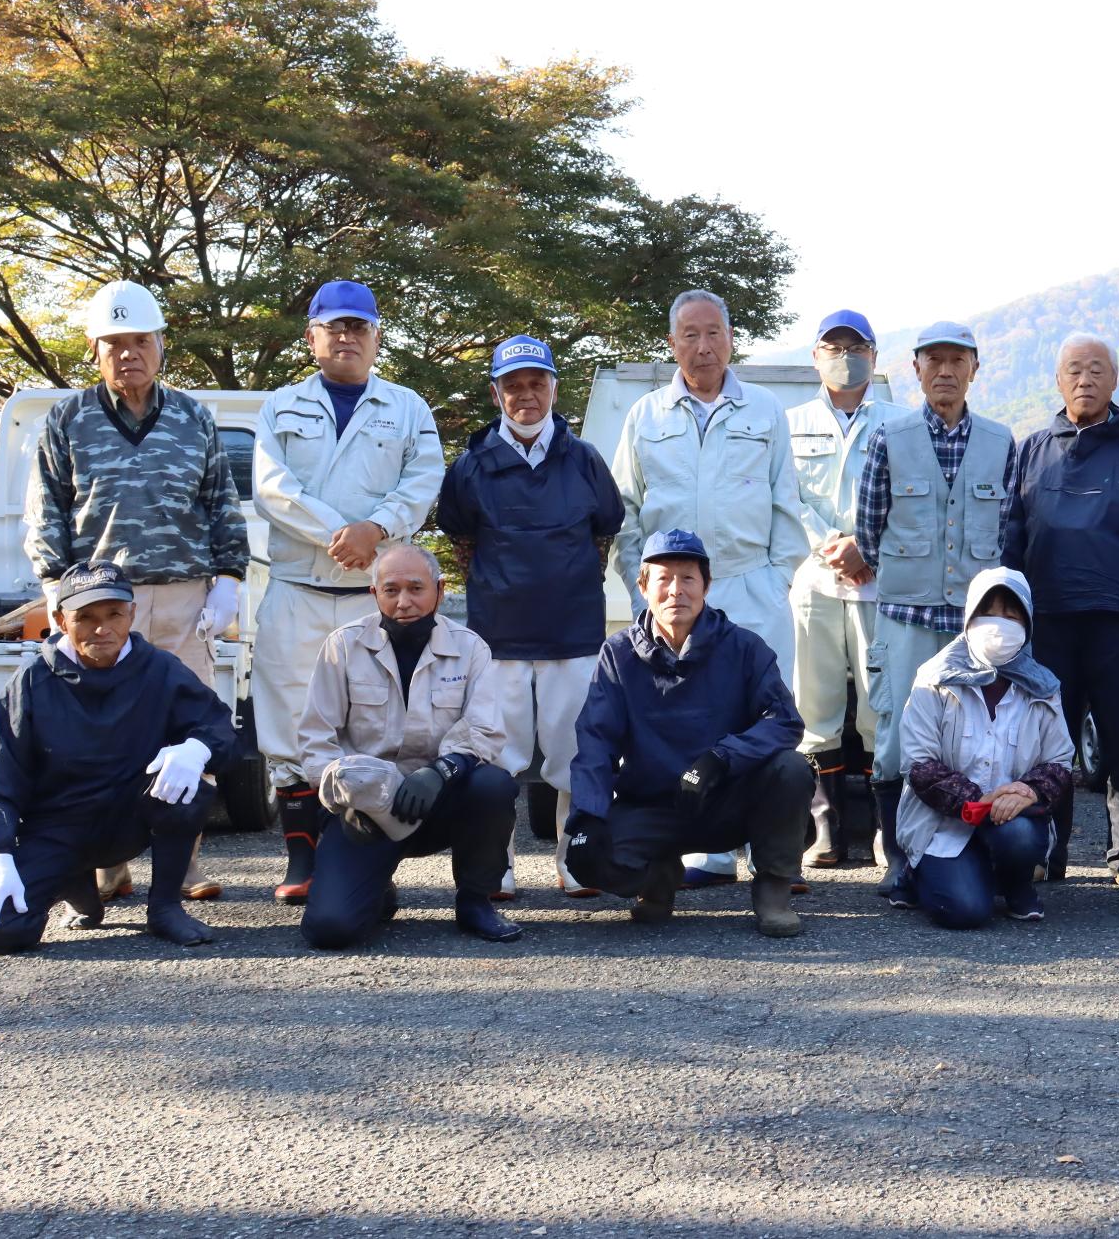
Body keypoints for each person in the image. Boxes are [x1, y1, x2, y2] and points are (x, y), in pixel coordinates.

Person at [24, 279, 249, 905]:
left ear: (160, 346)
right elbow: (45, 511)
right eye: (115, 344)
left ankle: (182, 866)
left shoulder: (193, 417)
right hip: (98, 605)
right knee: (102, 735)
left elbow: (220, 505)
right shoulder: (67, 419)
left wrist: (229, 577)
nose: (129, 355)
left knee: (189, 728)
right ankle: (108, 866)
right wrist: (54, 589)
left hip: (183, 594)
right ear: (96, 351)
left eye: (140, 342)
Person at [252, 280, 444, 905]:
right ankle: (302, 857)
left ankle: (357, 855)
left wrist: (378, 530)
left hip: (371, 598)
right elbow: (272, 487)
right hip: (298, 587)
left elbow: (424, 479)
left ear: (376, 336)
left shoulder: (408, 407)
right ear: (311, 337)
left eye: (359, 327)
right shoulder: (279, 406)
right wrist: (341, 533)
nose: (346, 337)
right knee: (287, 725)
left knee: (366, 724)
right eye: (334, 327)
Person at [609, 290, 807, 886]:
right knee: (687, 717)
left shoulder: (765, 411)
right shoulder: (646, 415)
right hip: (674, 596)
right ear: (672, 344)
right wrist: (641, 585)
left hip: (751, 585)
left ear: (730, 339)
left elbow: (786, 505)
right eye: (690, 335)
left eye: (713, 333)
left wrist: (777, 582)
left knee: (766, 719)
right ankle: (709, 852)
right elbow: (626, 511)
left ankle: (772, 856)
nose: (703, 346)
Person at [0, 561, 239, 953]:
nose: (101, 628)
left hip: (133, 814)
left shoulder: (160, 669)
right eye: (85, 617)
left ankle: (164, 908)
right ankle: (78, 890)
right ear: (60, 619)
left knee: (190, 787)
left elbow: (220, 729)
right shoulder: (30, 682)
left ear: (132, 614)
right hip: (57, 827)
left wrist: (196, 749)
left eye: (113, 614)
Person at [438, 334, 623, 901]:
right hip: (498, 637)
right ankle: (497, 863)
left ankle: (573, 861)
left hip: (573, 634)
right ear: (496, 393)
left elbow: (605, 529)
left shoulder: (585, 459)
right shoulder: (471, 466)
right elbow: (460, 536)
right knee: (499, 756)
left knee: (574, 754)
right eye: (513, 386)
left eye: (535, 384)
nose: (526, 396)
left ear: (553, 388)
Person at [1005, 332, 1119, 891]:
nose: (1085, 379)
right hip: (1048, 619)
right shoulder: (1033, 447)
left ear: (1115, 380)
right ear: (1058, 381)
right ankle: (1047, 854)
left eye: (1097, 370)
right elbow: (1011, 532)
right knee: (1048, 740)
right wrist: (1009, 611)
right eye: (1074, 370)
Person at [563, 530, 812, 937]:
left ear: (707, 586)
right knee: (588, 856)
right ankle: (657, 875)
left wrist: (719, 759)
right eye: (663, 579)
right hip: (654, 803)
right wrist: (587, 815)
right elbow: (596, 738)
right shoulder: (618, 653)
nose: (675, 590)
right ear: (643, 587)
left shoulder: (745, 648)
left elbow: (783, 721)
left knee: (792, 768)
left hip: (730, 800)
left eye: (688, 578)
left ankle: (773, 887)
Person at [855, 321, 1015, 901]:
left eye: (957, 361)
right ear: (916, 369)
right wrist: (907, 573)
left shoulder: (1001, 442)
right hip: (905, 617)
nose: (945, 371)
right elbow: (867, 529)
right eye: (934, 361)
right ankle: (899, 858)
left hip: (976, 625)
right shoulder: (888, 438)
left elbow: (1007, 529)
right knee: (898, 736)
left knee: (976, 734)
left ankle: (971, 852)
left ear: (975, 368)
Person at [296, 544, 521, 947]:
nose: (404, 602)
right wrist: (345, 800)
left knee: (493, 785)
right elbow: (316, 742)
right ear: (373, 594)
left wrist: (442, 771)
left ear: (439, 588)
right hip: (364, 812)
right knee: (331, 930)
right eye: (391, 590)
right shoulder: (343, 647)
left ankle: (475, 901)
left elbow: (485, 730)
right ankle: (377, 887)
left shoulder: (471, 649)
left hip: (438, 799)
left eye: (416, 588)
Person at [786, 309, 904, 870]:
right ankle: (826, 829)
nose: (843, 356)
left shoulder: (901, 423)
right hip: (813, 582)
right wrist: (830, 544)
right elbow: (784, 496)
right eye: (832, 347)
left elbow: (908, 498)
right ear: (815, 356)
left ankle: (887, 831)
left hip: (877, 584)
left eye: (855, 346)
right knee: (815, 705)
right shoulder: (789, 424)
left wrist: (866, 548)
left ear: (874, 357)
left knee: (880, 710)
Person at [896, 568, 1074, 928]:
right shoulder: (935, 679)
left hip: (1013, 818)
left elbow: (1060, 761)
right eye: (988, 613)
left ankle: (1015, 882)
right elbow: (920, 765)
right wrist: (982, 800)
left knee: (1021, 836)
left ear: (1027, 623)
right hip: (943, 823)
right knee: (965, 912)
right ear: (969, 618)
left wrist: (1028, 790)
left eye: (1011, 615)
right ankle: (920, 873)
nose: (999, 625)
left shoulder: (1042, 686)